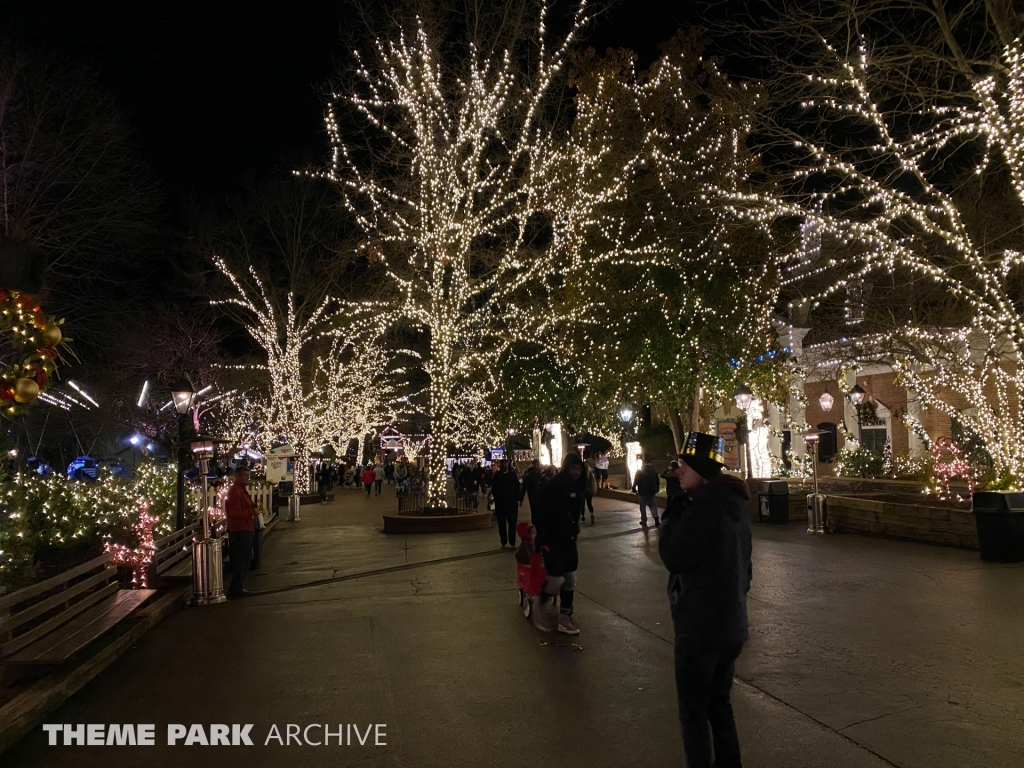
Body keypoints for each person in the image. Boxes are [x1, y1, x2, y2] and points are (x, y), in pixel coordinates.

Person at [659, 432, 752, 768]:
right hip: (731, 625)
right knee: (718, 703)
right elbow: (747, 570)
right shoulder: (733, 506)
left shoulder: (705, 509)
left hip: (701, 629)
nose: (677, 469)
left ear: (701, 469)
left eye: (684, 464)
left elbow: (674, 556)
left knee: (694, 713)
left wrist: (672, 515)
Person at [534, 453, 585, 635]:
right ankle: (542, 607)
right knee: (556, 578)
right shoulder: (554, 486)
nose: (576, 472)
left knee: (569, 578)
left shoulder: (578, 486)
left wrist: (574, 527)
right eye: (573, 468)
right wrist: (543, 539)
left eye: (579, 469)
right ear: (566, 468)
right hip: (552, 540)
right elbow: (542, 514)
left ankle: (564, 617)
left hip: (568, 540)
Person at [224, 466, 259, 597]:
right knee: (241, 560)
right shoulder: (235, 492)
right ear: (237, 476)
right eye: (244, 475)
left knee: (244, 559)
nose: (247, 478)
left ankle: (238, 586)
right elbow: (235, 513)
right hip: (240, 529)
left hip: (245, 528)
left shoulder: (241, 491)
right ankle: (235, 588)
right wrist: (252, 512)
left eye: (248, 475)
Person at [491, 459, 521, 547]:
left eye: (505, 463)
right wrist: (497, 499)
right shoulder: (497, 476)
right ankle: (503, 540)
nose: (504, 465)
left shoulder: (512, 475)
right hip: (501, 504)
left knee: (512, 522)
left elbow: (517, 487)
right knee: (501, 522)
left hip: (511, 503)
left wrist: (517, 499)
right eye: (502, 464)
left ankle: (512, 541)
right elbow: (494, 489)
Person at [632, 460, 662, 527]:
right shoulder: (653, 471)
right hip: (651, 491)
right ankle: (656, 517)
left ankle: (644, 520)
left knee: (642, 506)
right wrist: (657, 489)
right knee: (652, 505)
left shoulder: (639, 472)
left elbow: (636, 481)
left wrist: (633, 488)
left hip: (642, 491)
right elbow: (657, 481)